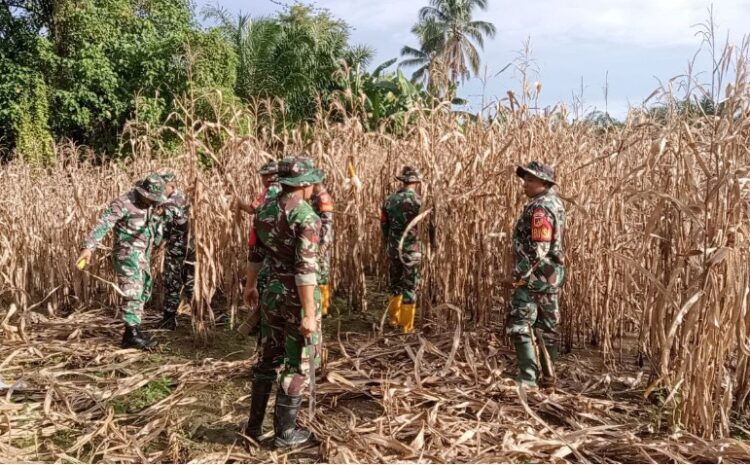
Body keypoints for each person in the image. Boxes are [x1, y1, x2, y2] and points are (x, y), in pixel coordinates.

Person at [242, 156, 323, 448]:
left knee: (266, 360)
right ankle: (286, 434)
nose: (315, 186)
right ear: (301, 184)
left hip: (271, 292)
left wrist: (250, 285)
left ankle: (252, 427)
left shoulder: (264, 211)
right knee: (297, 364)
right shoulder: (305, 217)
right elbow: (305, 270)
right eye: (312, 181)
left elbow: (255, 253)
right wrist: (309, 315)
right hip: (296, 298)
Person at [76, 175, 167, 350]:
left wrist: (159, 221)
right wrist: (88, 248)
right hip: (127, 254)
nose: (152, 202)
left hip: (143, 254)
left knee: (143, 289)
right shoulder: (123, 203)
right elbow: (104, 224)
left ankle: (135, 327)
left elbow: (154, 227)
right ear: (143, 192)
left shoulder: (151, 205)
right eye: (150, 198)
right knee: (133, 291)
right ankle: (129, 335)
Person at [507, 161, 566, 389]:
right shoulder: (555, 204)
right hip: (551, 277)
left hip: (534, 278)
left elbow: (539, 248)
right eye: (525, 179)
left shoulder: (540, 208)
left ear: (544, 183)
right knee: (547, 326)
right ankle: (549, 378)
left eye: (530, 180)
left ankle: (527, 378)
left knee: (521, 323)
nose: (524, 184)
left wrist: (518, 276)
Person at [380, 166, 423, 334]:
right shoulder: (420, 202)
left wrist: (389, 241)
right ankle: (406, 326)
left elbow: (384, 225)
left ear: (403, 181)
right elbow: (429, 228)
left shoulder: (390, 200)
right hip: (412, 249)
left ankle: (393, 320)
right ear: (417, 182)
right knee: (410, 286)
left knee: (395, 283)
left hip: (393, 248)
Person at [155, 172, 194, 330]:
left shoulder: (169, 205)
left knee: (172, 284)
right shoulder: (187, 200)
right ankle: (200, 319)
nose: (158, 192)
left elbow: (161, 231)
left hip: (176, 251)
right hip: (193, 250)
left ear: (172, 186)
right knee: (192, 284)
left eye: (161, 188)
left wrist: (155, 244)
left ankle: (169, 319)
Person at [311, 182, 334, 317]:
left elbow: (327, 222)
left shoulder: (323, 197)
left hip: (320, 243)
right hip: (314, 242)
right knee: (318, 273)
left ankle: (323, 309)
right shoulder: (315, 197)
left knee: (322, 273)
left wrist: (323, 243)